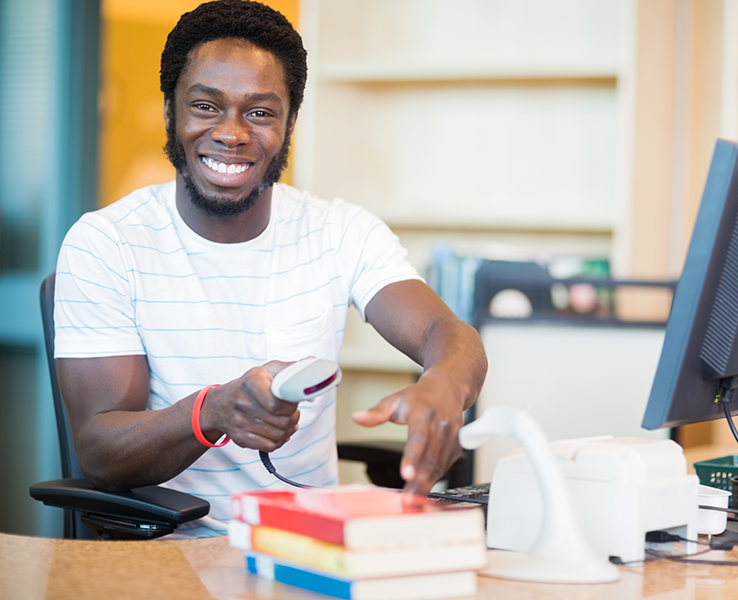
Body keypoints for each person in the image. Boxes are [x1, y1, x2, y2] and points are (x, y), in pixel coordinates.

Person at [53, 0, 487, 539]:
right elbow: (100, 450)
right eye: (206, 106)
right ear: (170, 111)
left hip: (310, 552)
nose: (232, 133)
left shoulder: (340, 231)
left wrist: (444, 385)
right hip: (170, 556)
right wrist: (212, 411)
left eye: (259, 112)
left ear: (289, 123)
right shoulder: (106, 243)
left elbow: (447, 334)